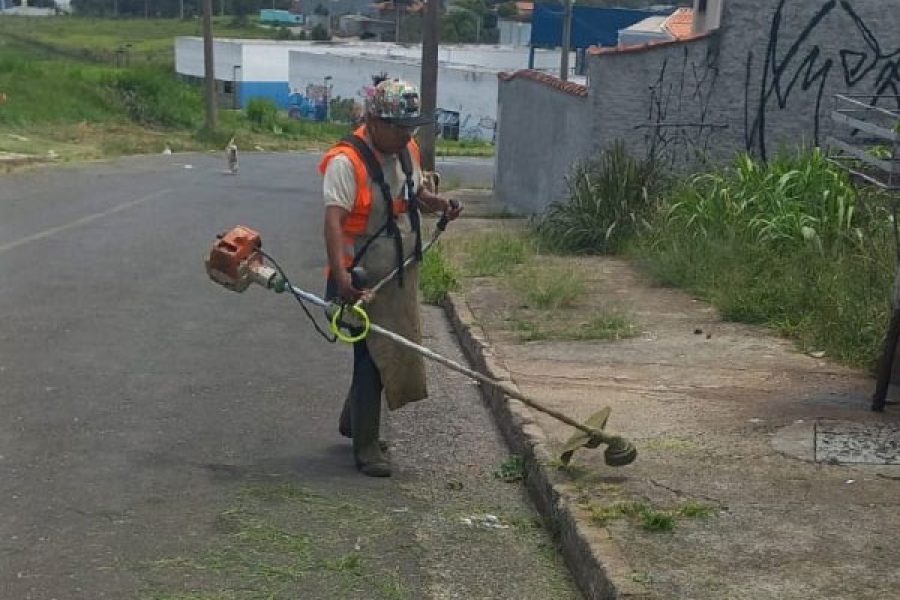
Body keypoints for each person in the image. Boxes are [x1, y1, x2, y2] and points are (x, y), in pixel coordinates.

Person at [319, 79, 462, 477]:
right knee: (370, 358)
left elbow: (412, 195)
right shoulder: (346, 162)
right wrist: (343, 276)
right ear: (374, 120)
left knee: (386, 352)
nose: (406, 135)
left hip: (398, 273)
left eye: (410, 127)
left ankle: (353, 421)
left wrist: (439, 205)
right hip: (360, 280)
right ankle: (366, 448)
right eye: (398, 128)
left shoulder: (405, 150)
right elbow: (333, 223)